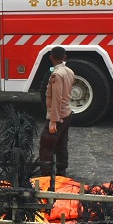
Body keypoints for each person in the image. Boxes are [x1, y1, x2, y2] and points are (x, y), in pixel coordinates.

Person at [38, 46, 75, 177]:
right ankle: (61, 171)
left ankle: (45, 174)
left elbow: (56, 98)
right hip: (67, 112)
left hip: (58, 115)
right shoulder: (69, 71)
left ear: (51, 57)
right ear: (64, 57)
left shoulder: (56, 74)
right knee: (62, 143)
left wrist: (53, 120)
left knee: (46, 144)